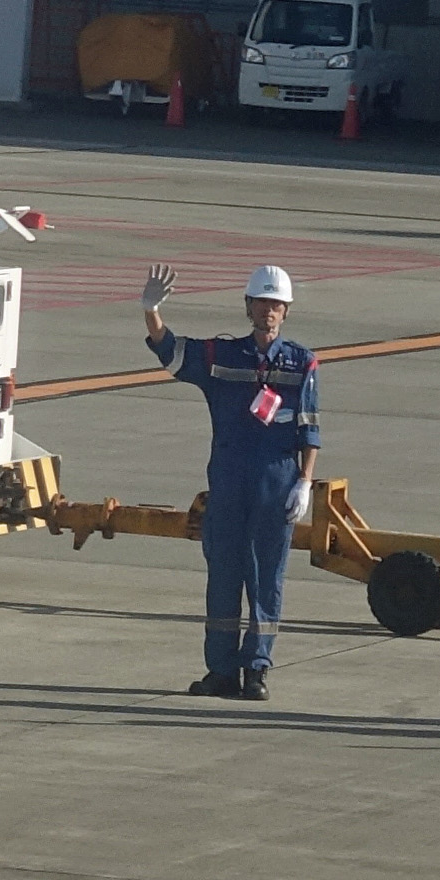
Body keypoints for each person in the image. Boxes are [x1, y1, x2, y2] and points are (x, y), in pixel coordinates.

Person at [142, 262, 320, 702]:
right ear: (248, 307)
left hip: (277, 482)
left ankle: (257, 669)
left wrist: (305, 482)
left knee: (266, 577)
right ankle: (221, 671)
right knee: (223, 575)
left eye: (276, 304)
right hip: (228, 481)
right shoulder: (221, 358)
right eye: (262, 303)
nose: (269, 311)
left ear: (287, 311)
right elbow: (173, 353)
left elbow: (309, 429)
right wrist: (151, 311)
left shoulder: (303, 363)